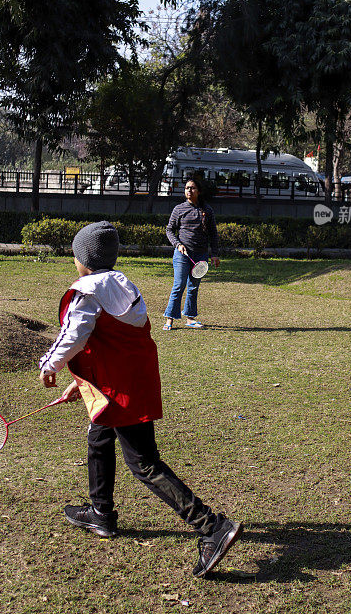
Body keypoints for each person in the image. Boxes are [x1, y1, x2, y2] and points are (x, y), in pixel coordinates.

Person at [38, 221, 242, 578]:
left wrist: (49, 365)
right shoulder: (122, 284)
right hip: (131, 380)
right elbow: (112, 344)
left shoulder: (86, 290)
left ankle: (211, 526)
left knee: (144, 463)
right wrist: (86, 383)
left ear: (82, 257)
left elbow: (74, 334)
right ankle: (101, 512)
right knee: (99, 435)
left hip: (123, 391)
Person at [163, 178, 220, 330]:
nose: (189, 190)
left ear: (198, 191)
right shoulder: (179, 209)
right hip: (182, 254)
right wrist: (178, 244)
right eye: (187, 188)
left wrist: (214, 254)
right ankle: (170, 318)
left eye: (193, 188)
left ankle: (190, 318)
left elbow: (213, 233)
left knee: (193, 287)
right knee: (179, 285)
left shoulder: (207, 210)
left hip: (201, 255)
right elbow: (169, 230)